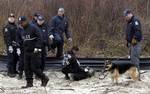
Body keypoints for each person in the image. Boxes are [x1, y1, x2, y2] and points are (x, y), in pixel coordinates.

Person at [18, 16, 49, 88]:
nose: (21, 24)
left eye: (22, 23)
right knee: (26, 68)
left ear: (26, 21)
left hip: (35, 51)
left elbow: (40, 38)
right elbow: (23, 40)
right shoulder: (22, 30)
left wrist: (37, 47)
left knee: (34, 68)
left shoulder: (33, 28)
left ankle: (44, 78)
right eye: (20, 23)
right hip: (26, 51)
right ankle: (29, 83)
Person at [124, 9, 142, 80]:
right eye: (125, 16)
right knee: (131, 60)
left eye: (126, 15)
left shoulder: (135, 21)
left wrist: (134, 40)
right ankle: (132, 74)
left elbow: (138, 32)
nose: (125, 17)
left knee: (135, 59)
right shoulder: (129, 22)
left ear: (130, 14)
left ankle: (137, 76)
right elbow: (129, 33)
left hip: (135, 44)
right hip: (131, 44)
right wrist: (128, 42)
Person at [3, 13, 20, 77]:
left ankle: (14, 70)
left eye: (12, 18)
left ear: (14, 19)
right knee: (11, 58)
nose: (11, 19)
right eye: (10, 18)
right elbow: (7, 37)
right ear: (8, 19)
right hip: (10, 46)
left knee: (15, 58)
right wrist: (9, 45)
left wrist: (18, 45)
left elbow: (17, 36)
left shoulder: (16, 26)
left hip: (16, 45)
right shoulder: (6, 27)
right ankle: (9, 72)